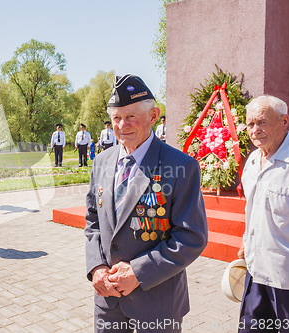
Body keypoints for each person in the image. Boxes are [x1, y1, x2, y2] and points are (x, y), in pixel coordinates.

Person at [84, 74, 208, 332]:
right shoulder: (102, 162)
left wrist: (138, 272)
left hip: (157, 302)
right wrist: (96, 268)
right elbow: (94, 221)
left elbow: (191, 236)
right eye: (116, 118)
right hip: (108, 303)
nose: (121, 125)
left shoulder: (181, 166)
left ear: (153, 116)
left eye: (131, 117)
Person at [237, 95, 289, 332]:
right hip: (256, 274)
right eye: (250, 124)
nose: (255, 130)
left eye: (262, 122)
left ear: (285, 121)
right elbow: (254, 210)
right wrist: (248, 240)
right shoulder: (253, 161)